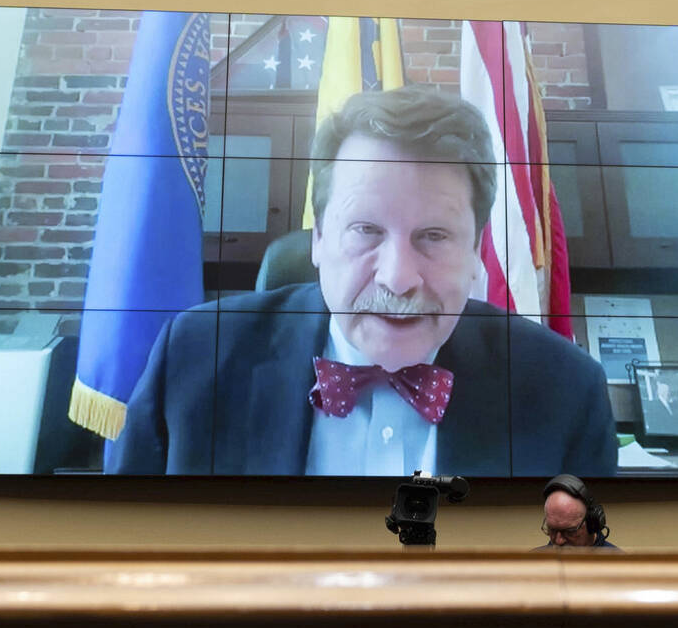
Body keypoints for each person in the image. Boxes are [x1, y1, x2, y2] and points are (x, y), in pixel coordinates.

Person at [109, 85, 618, 477]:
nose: (398, 279)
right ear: (318, 239)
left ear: (473, 250)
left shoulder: (566, 390)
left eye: (434, 236)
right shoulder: (194, 358)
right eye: (366, 230)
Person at [536, 473, 621, 550]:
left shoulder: (620, 564)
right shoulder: (531, 563)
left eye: (570, 532)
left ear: (591, 524)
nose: (558, 541)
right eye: (552, 530)